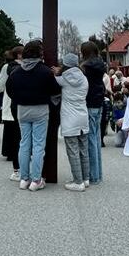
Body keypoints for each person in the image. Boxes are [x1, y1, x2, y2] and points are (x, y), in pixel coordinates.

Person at [5, 40, 60, 191]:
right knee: (38, 146)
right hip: (40, 110)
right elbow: (55, 91)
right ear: (39, 54)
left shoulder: (16, 72)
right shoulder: (45, 71)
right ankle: (36, 181)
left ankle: (24, 178)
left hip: (22, 110)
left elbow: (9, 90)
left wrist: (20, 98)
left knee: (24, 144)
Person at [55, 52, 90, 191]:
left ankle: (78, 181)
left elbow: (52, 80)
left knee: (72, 151)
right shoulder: (84, 78)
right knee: (83, 150)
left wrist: (55, 72)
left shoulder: (63, 79)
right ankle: (85, 178)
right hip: (82, 116)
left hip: (70, 119)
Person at [80, 41, 107, 185]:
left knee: (90, 140)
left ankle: (93, 175)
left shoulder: (85, 67)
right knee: (96, 139)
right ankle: (98, 174)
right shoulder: (101, 64)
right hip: (99, 103)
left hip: (89, 103)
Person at [0, 45, 23, 179]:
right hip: (22, 102)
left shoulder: (7, 67)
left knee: (10, 129)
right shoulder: (25, 67)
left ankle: (9, 152)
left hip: (10, 99)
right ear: (19, 55)